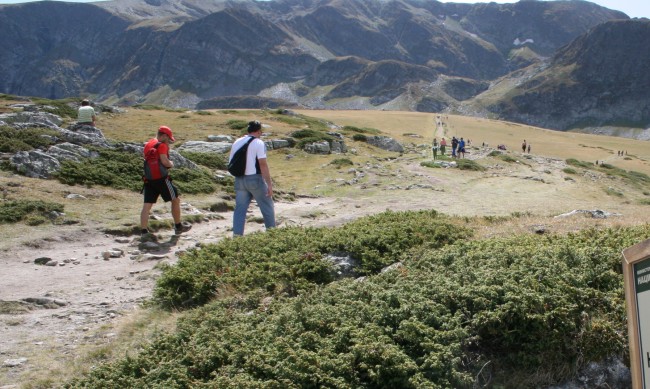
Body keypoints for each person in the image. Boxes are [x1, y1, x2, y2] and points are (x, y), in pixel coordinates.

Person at [140, 126, 190, 238]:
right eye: (168, 139)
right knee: (175, 200)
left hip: (149, 180)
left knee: (147, 206)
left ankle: (143, 232)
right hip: (162, 180)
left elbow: (144, 157)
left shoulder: (150, 143)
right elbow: (165, 162)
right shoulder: (162, 145)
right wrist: (171, 163)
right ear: (164, 136)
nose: (169, 142)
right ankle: (178, 226)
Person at [229, 120, 275, 236]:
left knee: (240, 210)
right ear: (259, 131)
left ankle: (237, 237)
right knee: (267, 207)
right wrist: (269, 184)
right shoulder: (258, 143)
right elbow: (262, 164)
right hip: (255, 179)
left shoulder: (237, 141)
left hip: (239, 179)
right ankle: (272, 235)